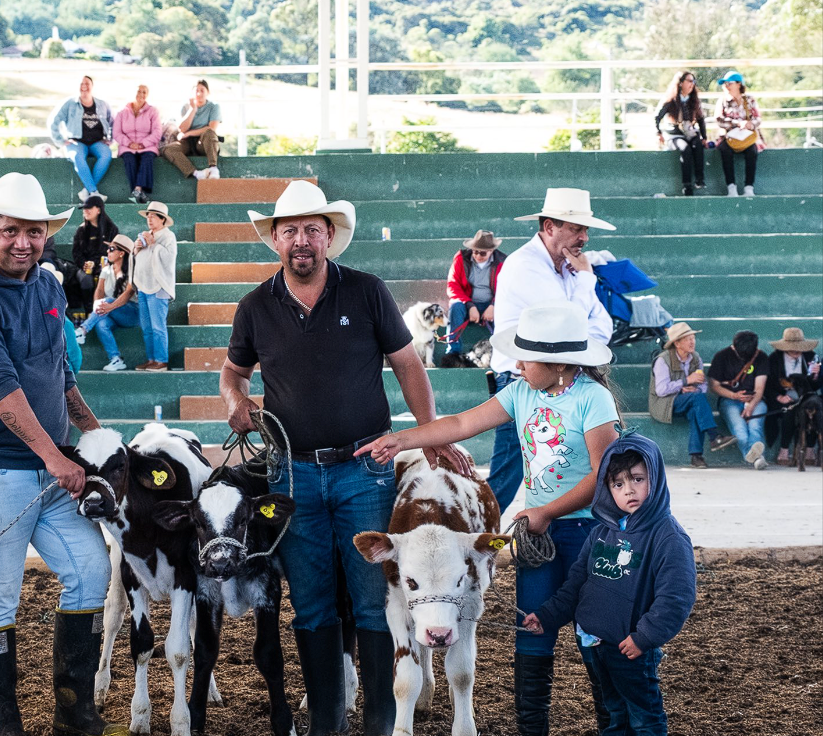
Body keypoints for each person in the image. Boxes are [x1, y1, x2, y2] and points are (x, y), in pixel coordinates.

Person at [222, 180, 465, 736]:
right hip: (293, 472)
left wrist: (429, 434)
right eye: (291, 231)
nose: (301, 240)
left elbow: (408, 364)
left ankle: (381, 720)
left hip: (366, 470)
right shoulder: (256, 306)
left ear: (330, 237)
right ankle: (326, 723)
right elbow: (232, 372)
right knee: (309, 603)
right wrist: (236, 399)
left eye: (312, 229)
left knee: (373, 595)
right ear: (275, 240)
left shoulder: (367, 291)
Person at [358, 300, 621, 736]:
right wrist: (401, 438)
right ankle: (531, 726)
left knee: (594, 630)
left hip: (588, 530)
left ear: (557, 364)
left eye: (526, 356)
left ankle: (615, 722)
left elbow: (603, 473)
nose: (516, 363)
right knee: (531, 627)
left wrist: (547, 511)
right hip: (541, 535)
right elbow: (461, 423)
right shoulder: (521, 392)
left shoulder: (593, 399)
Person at [0, 172, 126, 736]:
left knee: (91, 572)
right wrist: (56, 457)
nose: (24, 242)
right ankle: (5, 723)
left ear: (47, 234)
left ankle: (76, 713)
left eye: (35, 231)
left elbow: (58, 370)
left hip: (51, 463)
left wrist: (95, 435)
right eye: (11, 230)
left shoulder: (45, 285)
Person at [522, 433, 697, 736]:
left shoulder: (669, 537)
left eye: (638, 479)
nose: (629, 490)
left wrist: (644, 637)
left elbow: (676, 597)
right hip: (595, 645)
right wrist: (548, 617)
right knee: (614, 714)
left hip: (632, 649)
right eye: (618, 484)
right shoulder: (602, 531)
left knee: (645, 718)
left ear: (655, 476)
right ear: (607, 489)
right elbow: (576, 583)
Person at [489, 188, 615, 515]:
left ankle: (480, 535)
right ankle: (474, 538)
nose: (584, 237)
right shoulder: (525, 266)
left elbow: (601, 326)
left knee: (543, 466)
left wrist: (580, 311)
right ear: (549, 227)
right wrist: (587, 281)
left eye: (585, 230)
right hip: (523, 377)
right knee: (510, 473)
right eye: (576, 228)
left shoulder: (563, 268)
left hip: (552, 376)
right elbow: (571, 326)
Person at [648, 322, 737, 467]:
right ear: (677, 343)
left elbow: (703, 385)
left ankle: (696, 457)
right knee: (697, 400)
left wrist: (694, 389)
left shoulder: (695, 358)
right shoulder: (663, 360)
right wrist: (685, 382)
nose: (692, 342)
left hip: (690, 400)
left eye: (693, 338)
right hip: (664, 404)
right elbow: (661, 390)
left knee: (697, 407)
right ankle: (714, 436)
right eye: (688, 339)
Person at [76, 234, 138, 372]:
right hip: (112, 312)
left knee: (109, 299)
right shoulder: (106, 270)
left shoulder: (131, 271)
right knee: (101, 324)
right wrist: (98, 309)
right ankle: (116, 359)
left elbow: (128, 293)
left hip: (132, 313)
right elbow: (99, 291)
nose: (107, 252)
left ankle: (82, 330)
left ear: (121, 253)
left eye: (111, 249)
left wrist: (109, 306)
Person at [708, 330, 769, 470]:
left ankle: (754, 457)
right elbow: (714, 386)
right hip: (729, 400)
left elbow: (760, 387)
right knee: (739, 428)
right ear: (734, 347)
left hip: (756, 399)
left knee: (755, 426)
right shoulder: (721, 357)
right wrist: (734, 396)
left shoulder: (761, 357)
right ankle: (758, 458)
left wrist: (751, 406)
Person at [48, 75, 114, 202]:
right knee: (77, 156)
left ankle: (86, 191)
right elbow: (53, 122)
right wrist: (61, 141)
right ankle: (94, 193)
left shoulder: (102, 104)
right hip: (76, 142)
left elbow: (112, 122)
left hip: (97, 142)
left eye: (87, 83)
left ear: (92, 86)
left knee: (106, 155)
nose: (84, 86)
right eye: (81, 83)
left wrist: (109, 139)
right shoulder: (70, 104)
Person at [763, 327, 822, 465]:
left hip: (805, 396)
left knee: (815, 407)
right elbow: (767, 385)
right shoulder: (774, 359)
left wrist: (816, 375)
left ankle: (810, 448)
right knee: (790, 410)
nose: (796, 351)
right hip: (781, 396)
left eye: (799, 348)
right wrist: (779, 397)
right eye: (792, 348)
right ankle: (784, 449)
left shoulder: (811, 356)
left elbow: (815, 386)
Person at [445, 229, 506, 355]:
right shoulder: (461, 258)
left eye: (482, 253)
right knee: (455, 307)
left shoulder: (502, 262)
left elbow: (507, 289)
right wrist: (470, 305)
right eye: (475, 251)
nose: (478, 256)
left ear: (491, 251)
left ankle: (502, 352)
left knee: (506, 311)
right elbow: (453, 285)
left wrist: (494, 305)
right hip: (467, 304)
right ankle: (453, 352)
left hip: (492, 305)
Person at [132, 201, 176, 371]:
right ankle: (151, 359)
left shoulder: (168, 236)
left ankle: (161, 360)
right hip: (143, 286)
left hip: (159, 287)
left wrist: (152, 244)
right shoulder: (146, 235)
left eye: (153, 216)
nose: (149, 219)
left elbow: (169, 258)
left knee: (158, 326)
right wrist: (136, 249)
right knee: (147, 327)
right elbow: (137, 258)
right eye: (148, 216)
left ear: (162, 219)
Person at [655, 70, 708, 196]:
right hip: (674, 135)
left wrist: (704, 136)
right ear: (680, 83)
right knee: (685, 149)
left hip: (689, 132)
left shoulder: (694, 100)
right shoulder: (671, 100)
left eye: (693, 81)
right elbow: (657, 116)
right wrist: (658, 133)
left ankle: (699, 179)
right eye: (689, 81)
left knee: (697, 145)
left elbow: (701, 119)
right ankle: (686, 185)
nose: (692, 84)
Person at [160, 79, 221, 180]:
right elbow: (182, 129)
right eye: (196, 90)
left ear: (208, 92)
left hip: (204, 142)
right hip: (187, 143)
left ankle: (213, 168)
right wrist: (193, 109)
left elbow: (212, 128)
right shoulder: (186, 107)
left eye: (202, 90)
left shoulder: (214, 107)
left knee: (210, 133)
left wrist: (189, 133)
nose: (199, 93)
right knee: (168, 149)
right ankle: (196, 173)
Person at [714, 70, 761, 197]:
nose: (727, 86)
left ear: (739, 84)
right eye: (725, 84)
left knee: (752, 151)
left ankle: (749, 187)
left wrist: (750, 124)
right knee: (725, 151)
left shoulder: (749, 100)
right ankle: (731, 187)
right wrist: (736, 123)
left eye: (729, 83)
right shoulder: (722, 101)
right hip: (729, 137)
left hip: (746, 137)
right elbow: (719, 119)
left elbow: (758, 118)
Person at [68, 195, 119, 313]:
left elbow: (117, 250)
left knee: (111, 275)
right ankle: (90, 311)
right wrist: (84, 264)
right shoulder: (81, 230)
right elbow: (76, 253)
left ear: (99, 210)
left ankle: (110, 309)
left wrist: (107, 263)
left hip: (107, 265)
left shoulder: (111, 229)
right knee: (86, 279)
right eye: (84, 209)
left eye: (89, 208)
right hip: (86, 268)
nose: (85, 211)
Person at [113, 85, 162, 204]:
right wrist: (129, 143)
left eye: (144, 92)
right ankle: (141, 193)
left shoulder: (153, 111)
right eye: (138, 91)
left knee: (147, 158)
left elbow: (157, 132)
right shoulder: (122, 112)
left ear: (147, 95)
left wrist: (143, 144)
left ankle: (137, 189)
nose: (141, 94)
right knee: (129, 159)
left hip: (147, 146)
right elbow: (116, 133)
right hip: (127, 146)